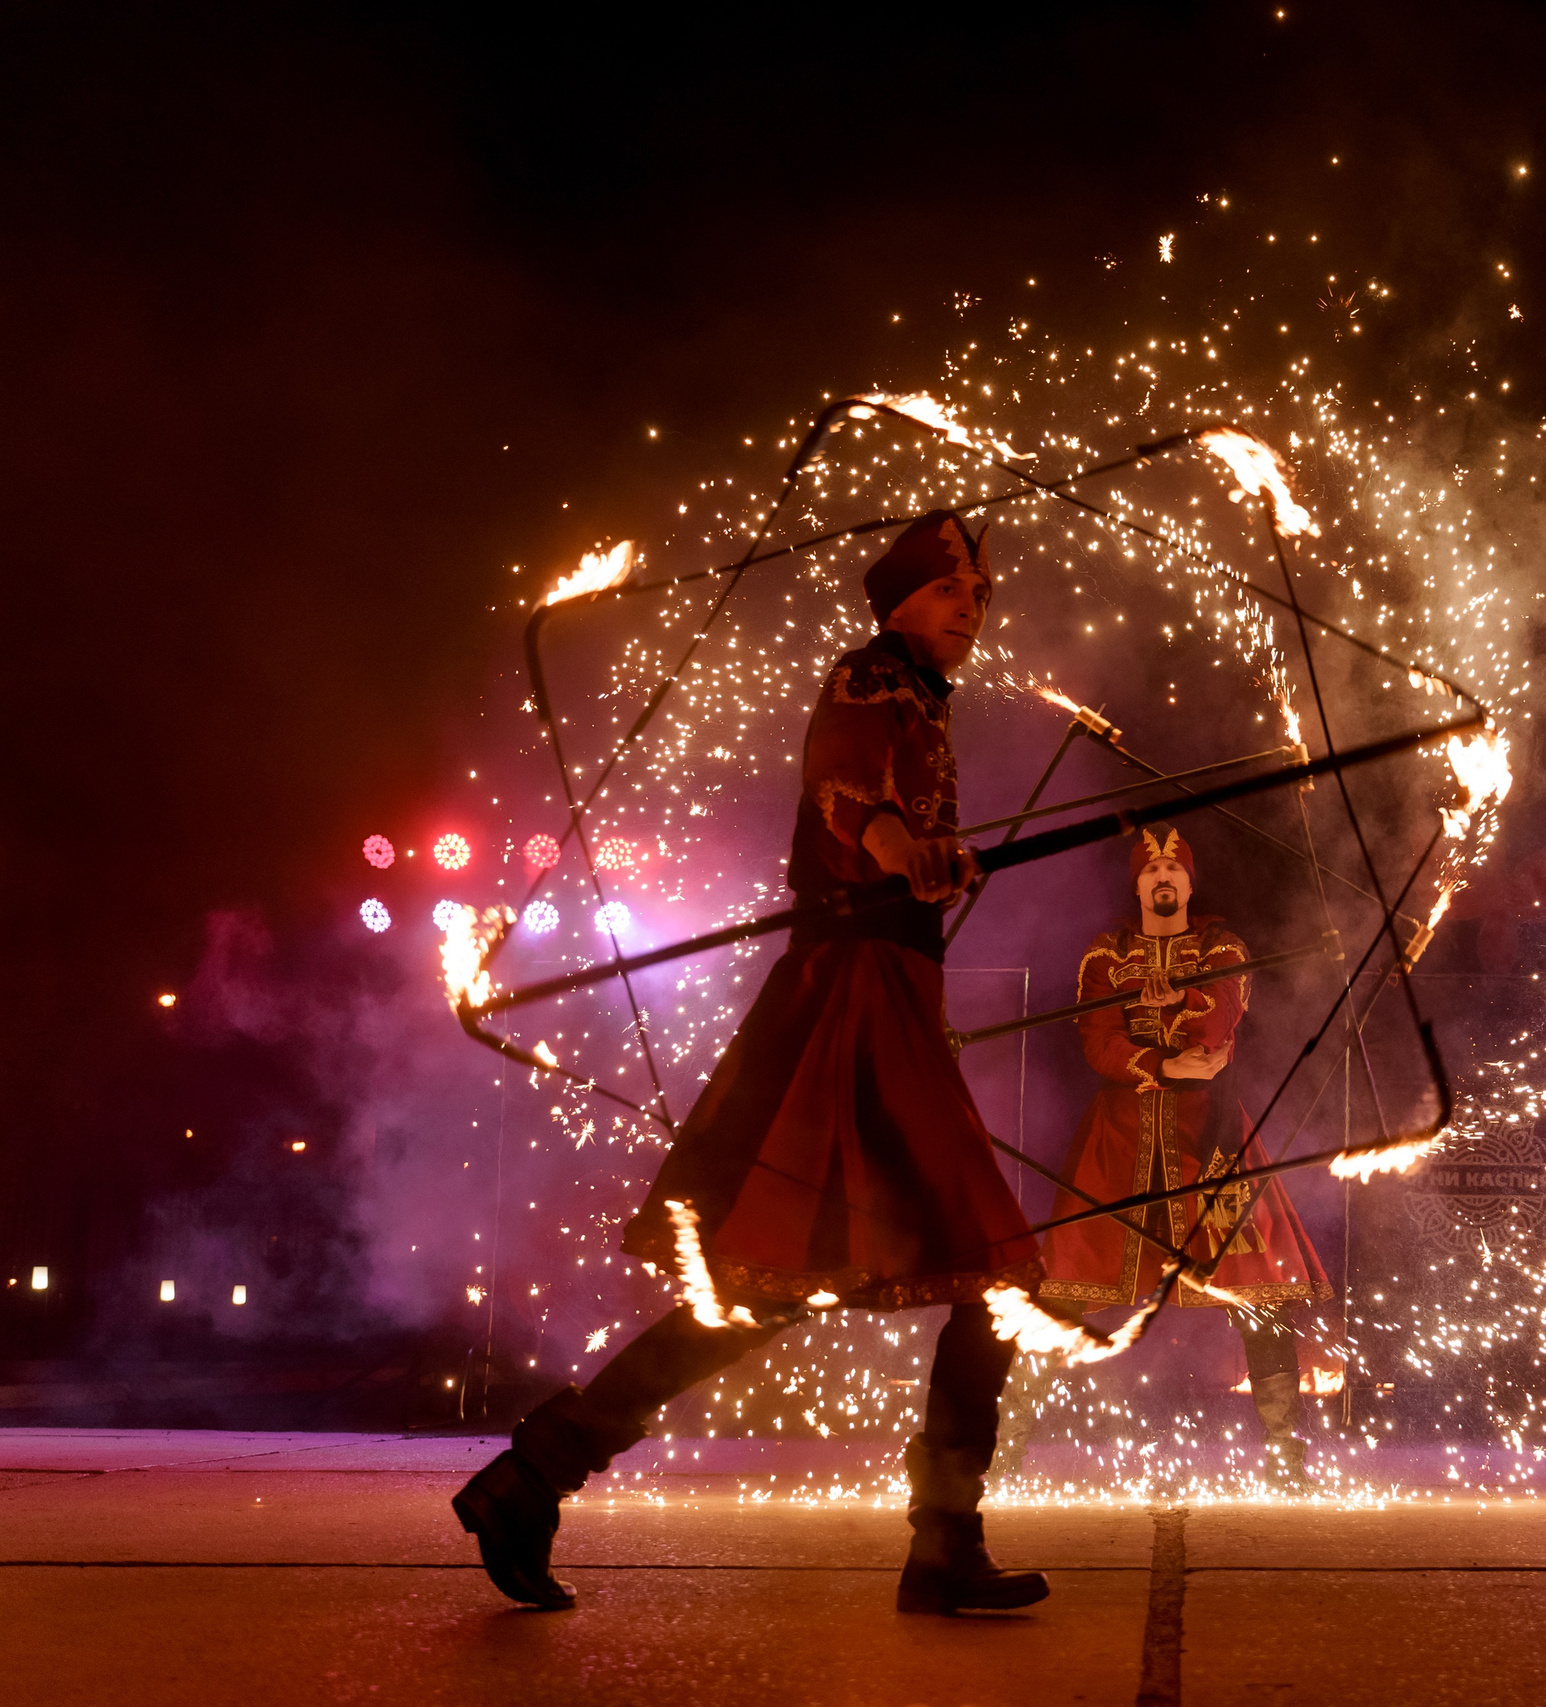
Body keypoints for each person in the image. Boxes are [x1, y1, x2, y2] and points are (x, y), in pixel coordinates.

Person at [453, 511, 1050, 1615]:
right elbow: (842, 790)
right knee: (994, 1276)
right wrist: (893, 848)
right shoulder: (867, 682)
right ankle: (941, 1540)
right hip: (855, 1002)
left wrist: (933, 858)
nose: (974, 607)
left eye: (981, 592)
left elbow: (889, 818)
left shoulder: (921, 698)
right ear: (899, 600)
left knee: (775, 1288)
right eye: (953, 588)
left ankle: (536, 1473)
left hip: (888, 995)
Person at [995, 823, 1332, 1481]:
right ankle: (1000, 1450)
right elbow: (1099, 1039)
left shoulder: (1218, 943)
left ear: (1189, 880)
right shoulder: (1106, 955)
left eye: (1174, 869)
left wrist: (1182, 1000)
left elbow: (1223, 1014)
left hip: (1211, 1143)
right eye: (1151, 872)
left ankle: (1287, 1459)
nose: (1163, 878)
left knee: (1257, 1292)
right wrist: (1162, 1062)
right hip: (1118, 1143)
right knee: (1063, 1293)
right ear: (1138, 882)